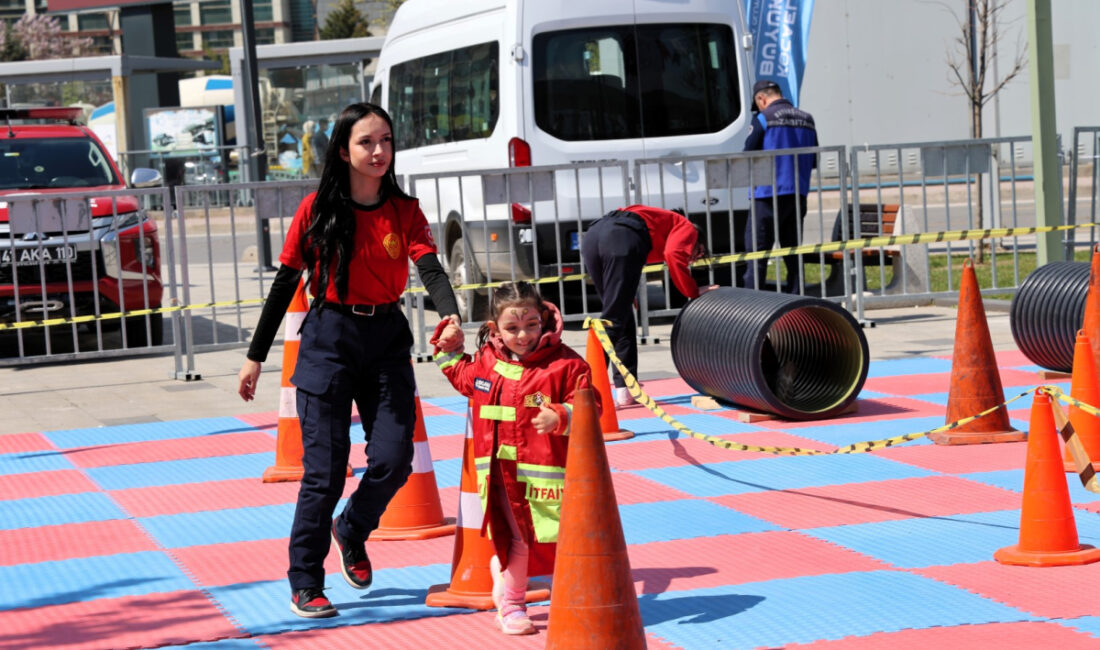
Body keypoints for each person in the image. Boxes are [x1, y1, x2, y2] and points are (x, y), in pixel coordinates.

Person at [237, 102, 465, 619]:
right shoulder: (316, 209)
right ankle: (306, 580)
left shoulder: (405, 211)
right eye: (367, 142)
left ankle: (353, 528)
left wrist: (451, 316)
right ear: (343, 149)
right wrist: (255, 357)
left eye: (385, 140)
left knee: (393, 459)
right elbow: (283, 287)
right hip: (329, 339)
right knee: (325, 472)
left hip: (385, 337)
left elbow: (430, 270)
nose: (379, 151)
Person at [431, 281, 593, 636]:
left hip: (548, 477)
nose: (523, 335)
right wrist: (448, 347)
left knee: (563, 539)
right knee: (518, 539)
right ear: (494, 329)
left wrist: (561, 416)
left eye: (531, 325)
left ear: (544, 320)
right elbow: (462, 376)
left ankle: (517, 579)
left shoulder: (566, 364)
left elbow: (592, 405)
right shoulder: (487, 362)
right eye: (512, 327)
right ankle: (512, 604)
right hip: (499, 474)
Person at [581, 204, 716, 407]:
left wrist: (626, 294)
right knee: (613, 322)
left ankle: (624, 390)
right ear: (698, 240)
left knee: (621, 314)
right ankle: (588, 391)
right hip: (620, 237)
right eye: (697, 253)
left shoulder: (661, 225)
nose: (692, 257)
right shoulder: (687, 227)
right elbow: (674, 254)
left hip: (593, 236)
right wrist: (693, 292)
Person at [743, 79, 819, 293]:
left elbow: (747, 154)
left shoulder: (764, 118)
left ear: (762, 98)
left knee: (756, 255)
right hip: (797, 195)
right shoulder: (808, 119)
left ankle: (753, 305)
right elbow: (813, 160)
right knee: (793, 255)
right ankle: (797, 303)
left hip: (766, 195)